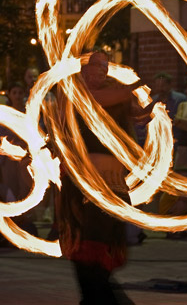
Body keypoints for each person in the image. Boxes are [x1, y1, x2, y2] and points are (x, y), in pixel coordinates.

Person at [58, 51, 139, 305]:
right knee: (86, 254)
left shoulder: (117, 95)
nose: (100, 71)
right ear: (82, 70)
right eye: (94, 66)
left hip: (112, 186)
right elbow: (94, 100)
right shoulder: (72, 93)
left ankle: (96, 300)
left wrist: (150, 108)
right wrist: (132, 88)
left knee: (99, 253)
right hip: (83, 187)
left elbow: (138, 114)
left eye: (104, 66)